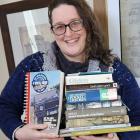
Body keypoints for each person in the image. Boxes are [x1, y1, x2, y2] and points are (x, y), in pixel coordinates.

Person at [0, 0, 140, 140]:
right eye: (60, 27)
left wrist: (117, 138)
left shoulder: (114, 68)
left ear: (87, 25)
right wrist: (18, 132)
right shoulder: (32, 65)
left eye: (75, 23)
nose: (68, 33)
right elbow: (4, 106)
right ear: (53, 31)